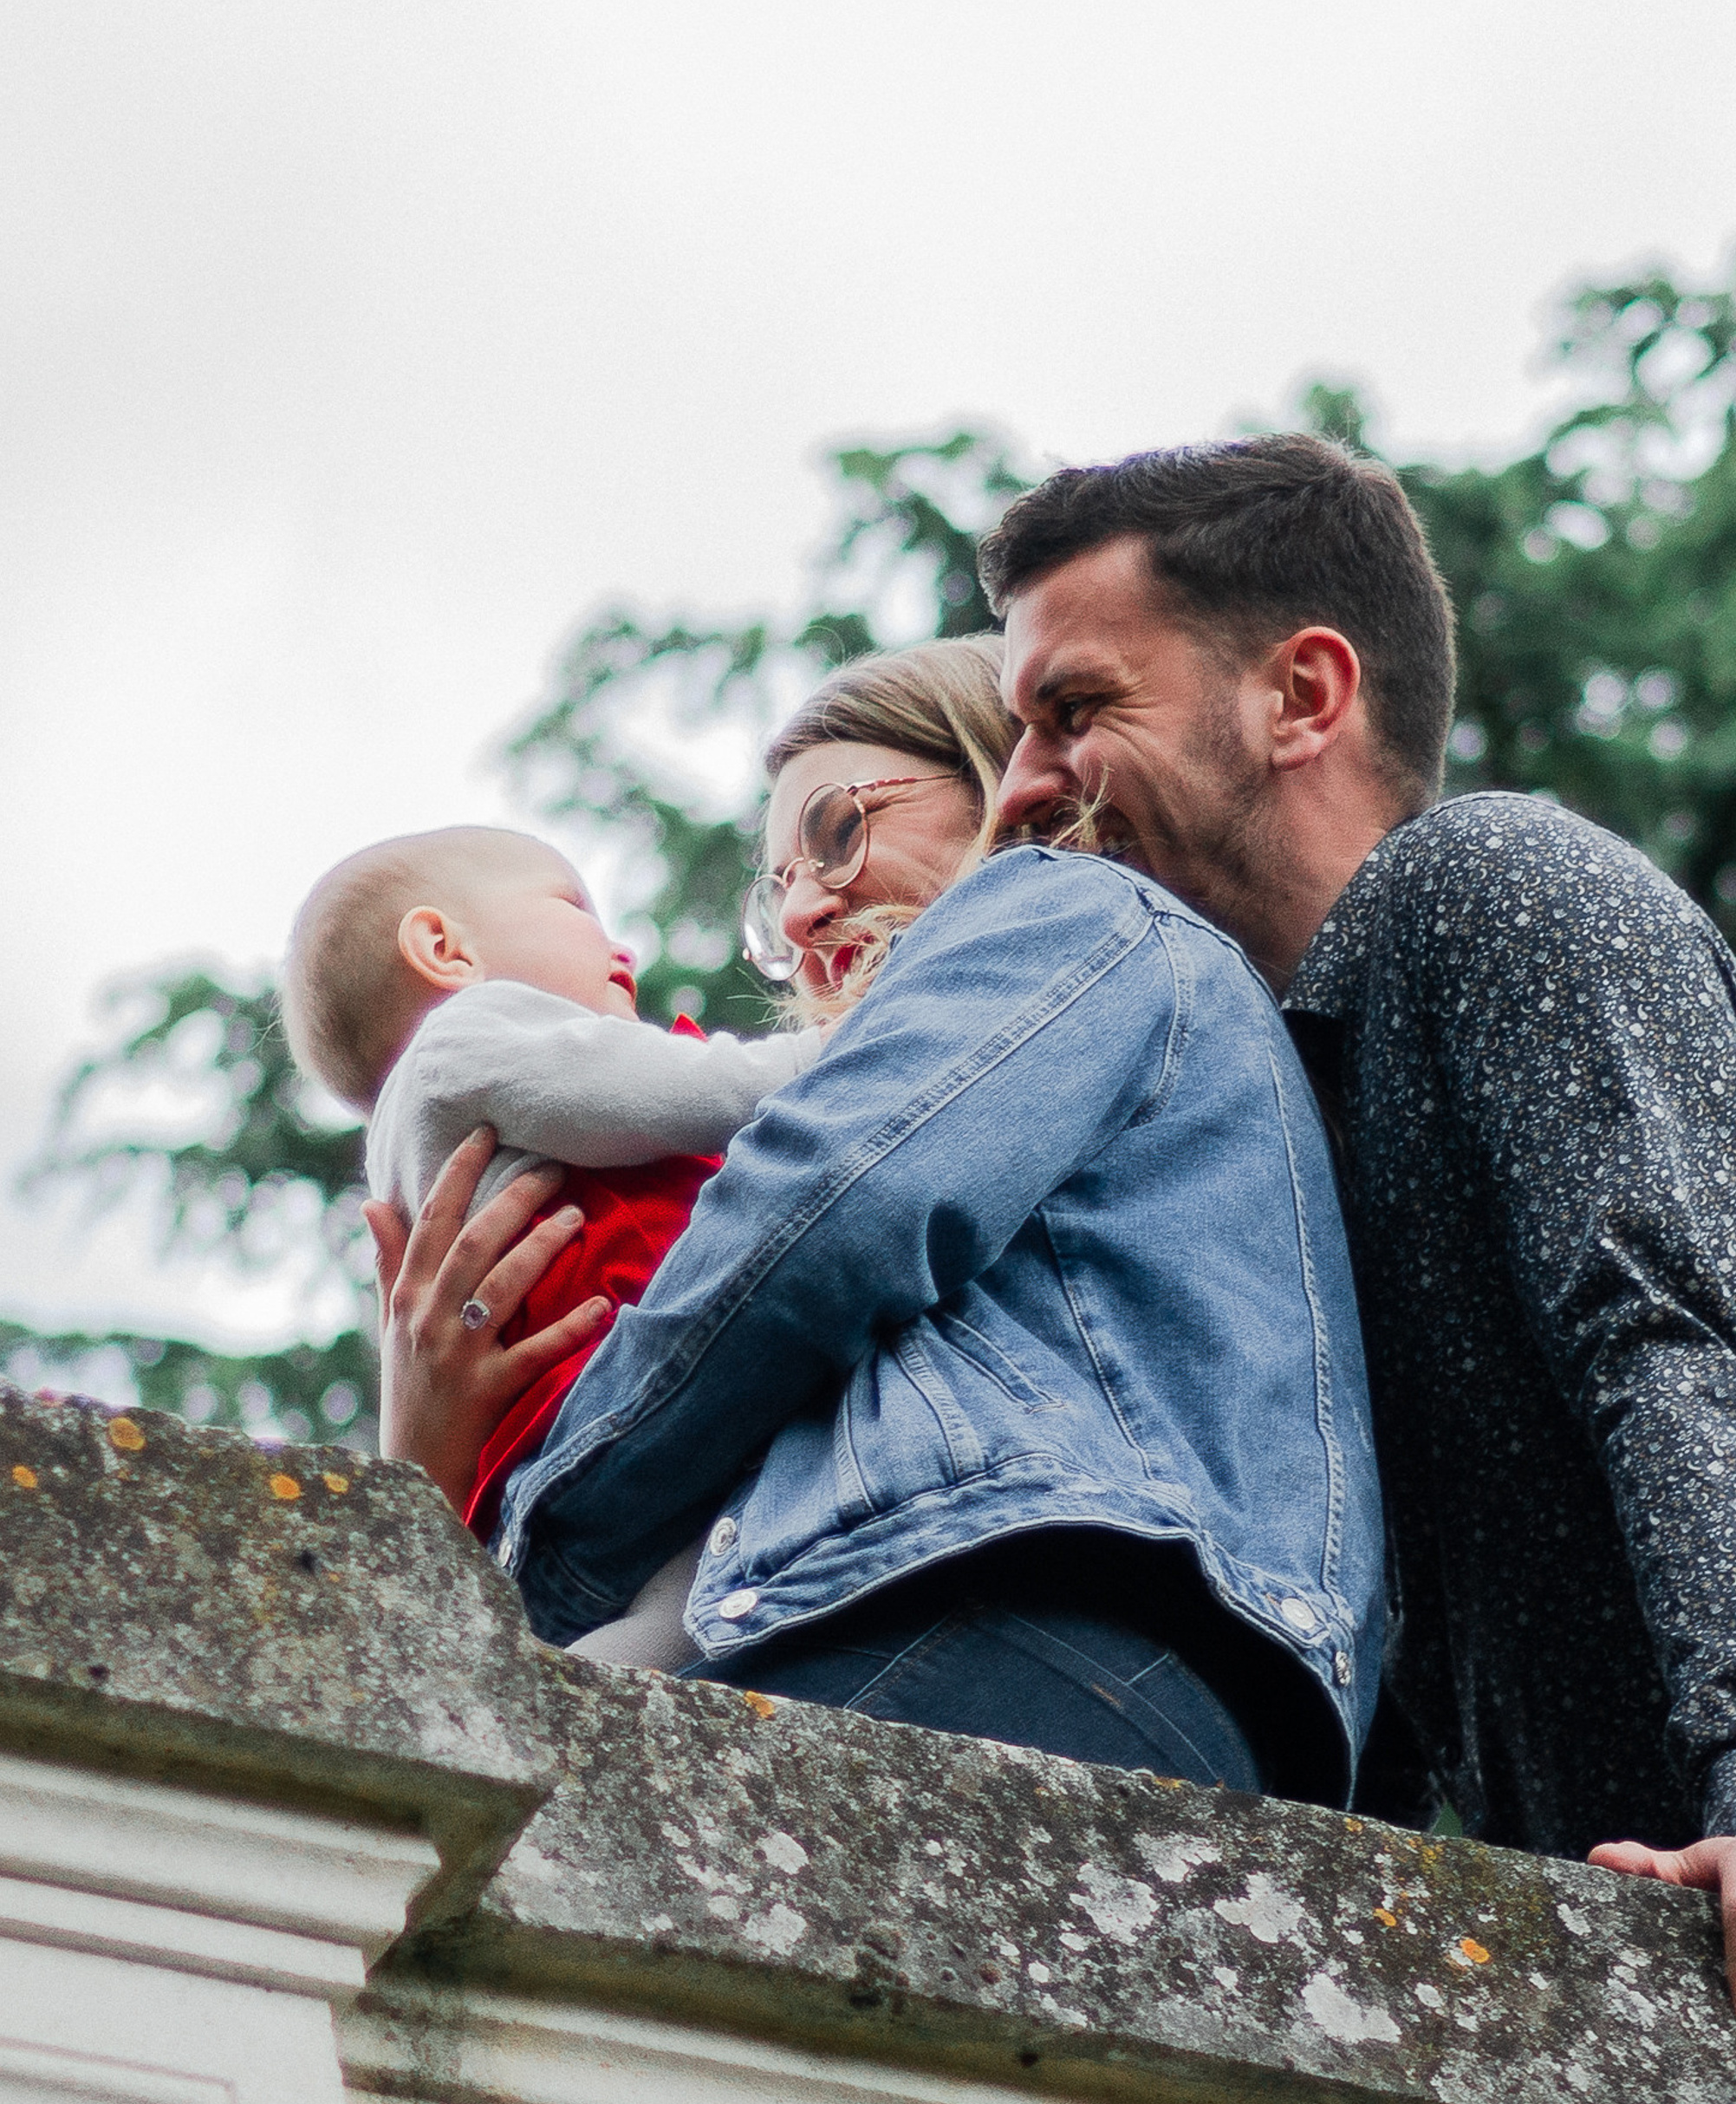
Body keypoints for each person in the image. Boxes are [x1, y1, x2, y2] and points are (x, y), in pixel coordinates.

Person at [979, 431, 1736, 2073]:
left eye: (1076, 711)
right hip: (1696, 1898)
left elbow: (1676, 1342)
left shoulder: (1489, 886)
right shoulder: (1270, 1111)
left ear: (1302, 696)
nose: (1021, 793)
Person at [373, 636, 1384, 1803]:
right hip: (1156, 1683)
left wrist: (525, 1539)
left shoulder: (1065, 906)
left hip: (996, 1622)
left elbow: (828, 1220)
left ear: (1003, 778)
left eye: (837, 831)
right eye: (774, 893)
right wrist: (431, 1461)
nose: (802, 912)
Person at [286, 825, 816, 1590]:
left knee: (668, 1620)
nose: (621, 949)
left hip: (573, 1463)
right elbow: (698, 1090)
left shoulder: (425, 1133)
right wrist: (835, 1052)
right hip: (620, 1415)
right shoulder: (459, 1044)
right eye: (576, 909)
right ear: (444, 949)